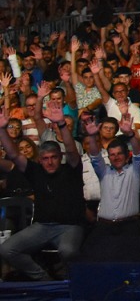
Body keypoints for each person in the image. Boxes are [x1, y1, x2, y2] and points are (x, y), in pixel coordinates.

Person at [0, 105, 84, 280]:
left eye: (53, 157)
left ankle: (75, 283)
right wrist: (2, 129)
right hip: (42, 226)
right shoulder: (35, 170)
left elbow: (71, 149)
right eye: (45, 159)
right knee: (7, 249)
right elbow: (14, 155)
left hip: (70, 226)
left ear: (59, 157)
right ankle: (45, 280)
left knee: (68, 251)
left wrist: (61, 124)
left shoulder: (71, 169)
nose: (50, 162)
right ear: (40, 160)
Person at [81, 110, 140, 250]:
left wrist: (130, 134)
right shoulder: (104, 172)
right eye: (112, 155)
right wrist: (92, 136)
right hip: (104, 226)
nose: (116, 157)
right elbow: (94, 156)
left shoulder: (134, 171)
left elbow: (139, 153)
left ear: (126, 155)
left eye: (119, 154)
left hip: (129, 227)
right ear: (108, 157)